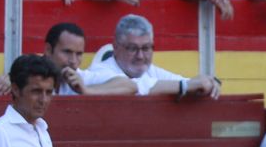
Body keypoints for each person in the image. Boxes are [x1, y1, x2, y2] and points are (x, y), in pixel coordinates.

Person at [83, 14, 221, 98]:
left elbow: (186, 82)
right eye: (132, 48)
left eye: (146, 48)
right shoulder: (100, 72)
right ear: (116, 47)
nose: (140, 56)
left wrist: (209, 82)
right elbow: (135, 86)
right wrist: (187, 86)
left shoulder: (150, 71)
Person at [43, 22, 135, 96]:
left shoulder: (79, 78)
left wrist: (87, 91)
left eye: (79, 54)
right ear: (48, 50)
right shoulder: (30, 75)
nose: (73, 61)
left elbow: (130, 85)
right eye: (67, 52)